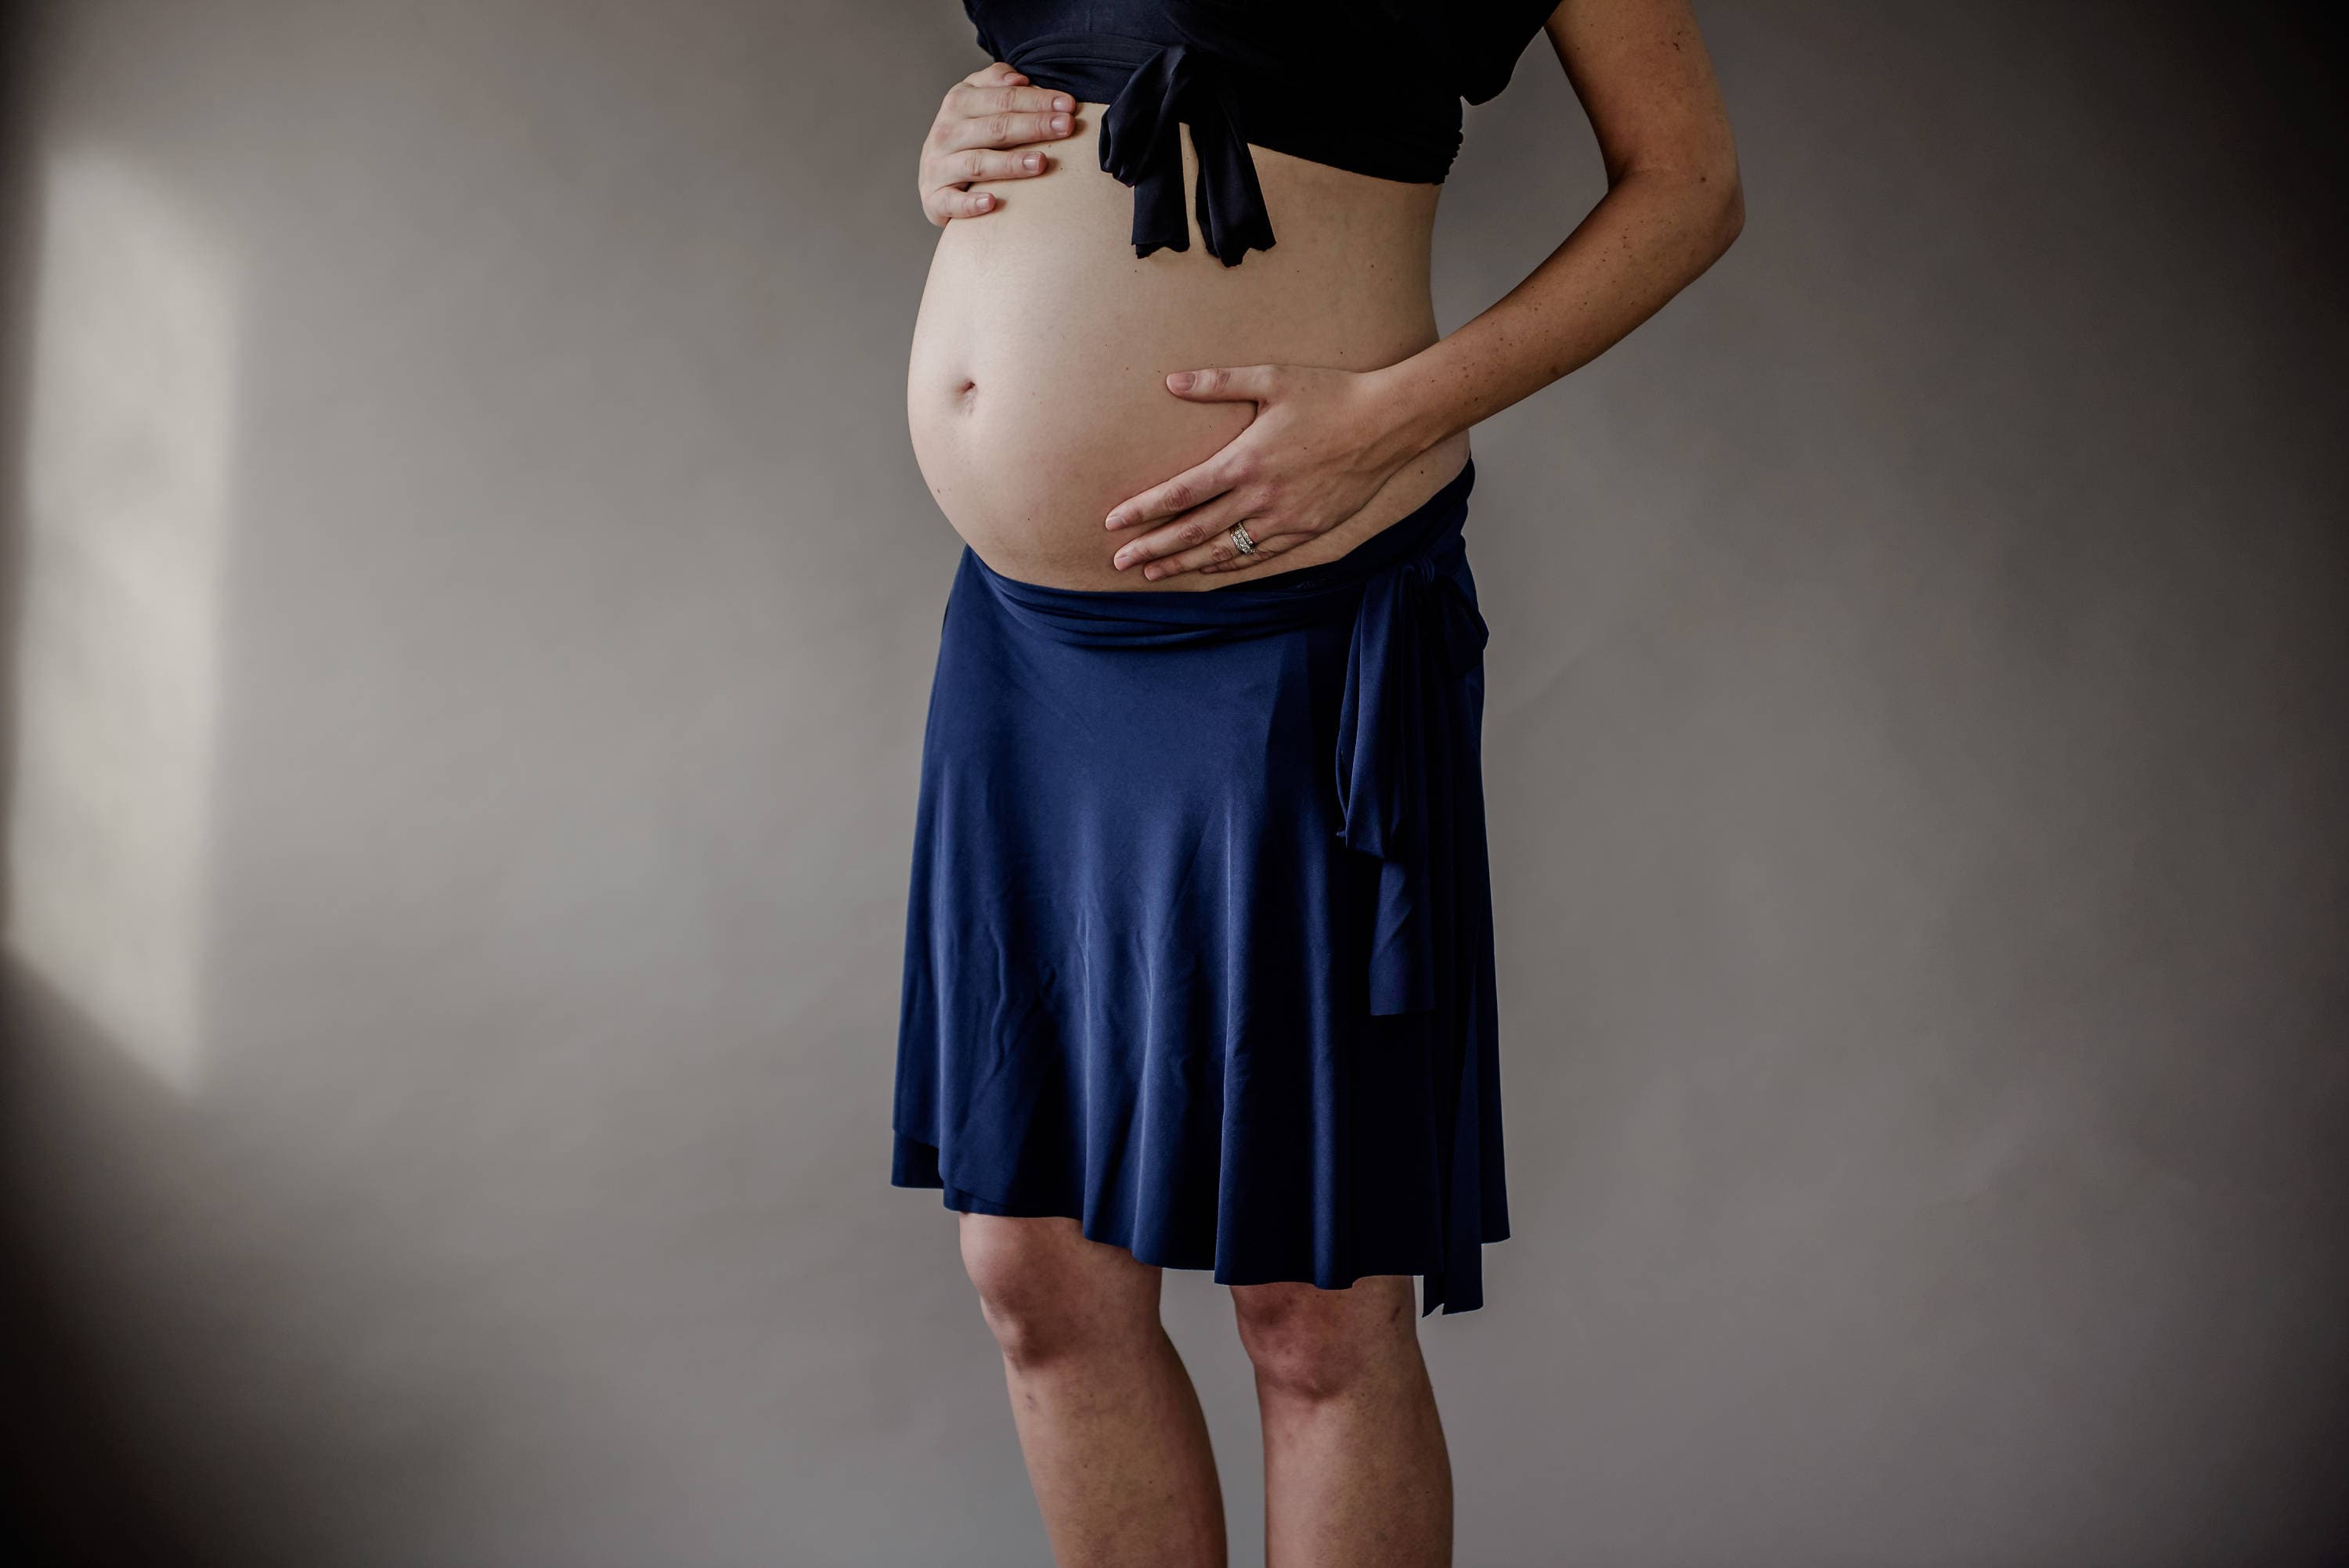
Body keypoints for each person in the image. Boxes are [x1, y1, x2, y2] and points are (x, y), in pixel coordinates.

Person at [893, 2, 1741, 1562]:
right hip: (1028, 641)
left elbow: (1688, 186)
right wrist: (956, 138)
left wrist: (1392, 415)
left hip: (1295, 618)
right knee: (1035, 1274)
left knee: (1312, 1306)